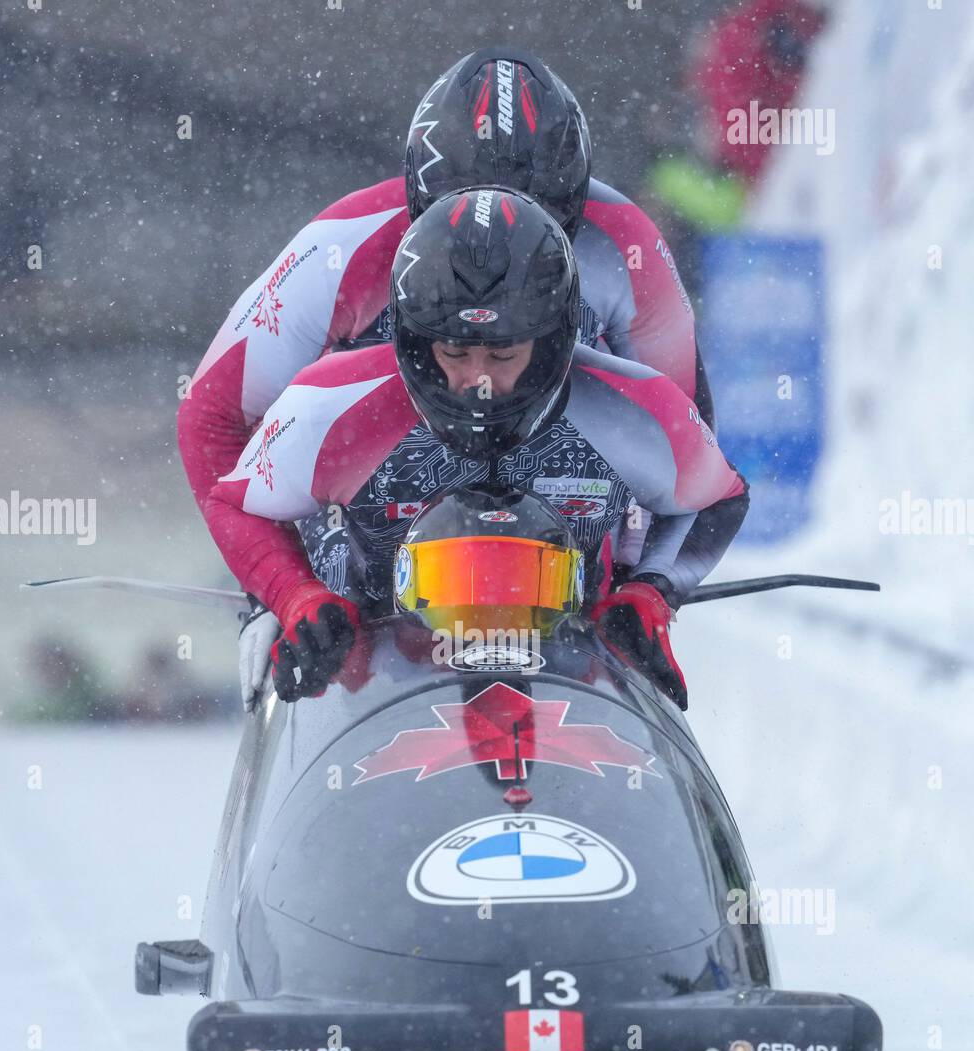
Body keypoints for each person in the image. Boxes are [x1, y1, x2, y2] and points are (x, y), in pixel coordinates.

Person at [176, 48, 714, 707]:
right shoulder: (338, 252)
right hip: (368, 532)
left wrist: (642, 587)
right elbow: (214, 420)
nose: (501, 249)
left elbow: (680, 428)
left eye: (537, 219)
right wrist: (284, 590)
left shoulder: (626, 247)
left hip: (552, 537)